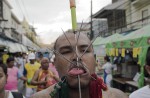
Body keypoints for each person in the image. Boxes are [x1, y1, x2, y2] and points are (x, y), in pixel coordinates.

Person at [30, 32, 128, 98]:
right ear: (55, 63)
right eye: (66, 51)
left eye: (84, 50)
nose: (76, 57)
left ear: (94, 59)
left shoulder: (117, 96)